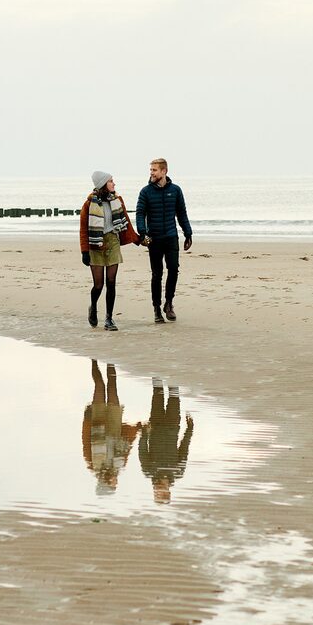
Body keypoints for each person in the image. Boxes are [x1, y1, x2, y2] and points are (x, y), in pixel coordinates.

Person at [79, 170, 146, 331]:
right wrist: (85, 251)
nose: (114, 184)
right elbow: (83, 229)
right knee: (98, 285)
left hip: (113, 241)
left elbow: (126, 223)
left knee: (111, 282)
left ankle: (109, 318)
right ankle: (93, 307)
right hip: (96, 244)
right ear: (103, 184)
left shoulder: (117, 200)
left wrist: (139, 239)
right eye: (110, 181)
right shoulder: (89, 204)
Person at [135, 157, 192, 324]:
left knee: (173, 269)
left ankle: (169, 303)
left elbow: (182, 213)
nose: (151, 173)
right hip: (154, 238)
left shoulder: (175, 190)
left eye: (154, 170)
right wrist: (143, 232)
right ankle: (156, 309)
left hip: (171, 236)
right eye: (151, 170)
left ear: (164, 171)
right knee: (157, 274)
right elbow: (140, 213)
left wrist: (188, 233)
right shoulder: (145, 192)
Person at [82, 360, 142, 493]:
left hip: (97, 420)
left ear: (104, 482)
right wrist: (137, 429)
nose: (116, 482)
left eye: (112, 485)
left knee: (99, 385)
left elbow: (86, 441)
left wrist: (86, 420)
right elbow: (127, 444)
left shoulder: (93, 464)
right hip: (115, 427)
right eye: (115, 485)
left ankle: (94, 360)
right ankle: (110, 361)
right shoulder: (119, 465)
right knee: (113, 387)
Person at [138, 379, 194, 504]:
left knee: (158, 393)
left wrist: (144, 433)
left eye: (156, 494)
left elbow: (142, 450)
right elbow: (184, 448)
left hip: (155, 426)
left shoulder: (148, 471)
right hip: (172, 426)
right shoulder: (178, 472)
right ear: (168, 492)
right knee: (174, 395)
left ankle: (156, 368)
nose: (157, 490)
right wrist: (189, 429)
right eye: (160, 494)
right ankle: (172, 372)